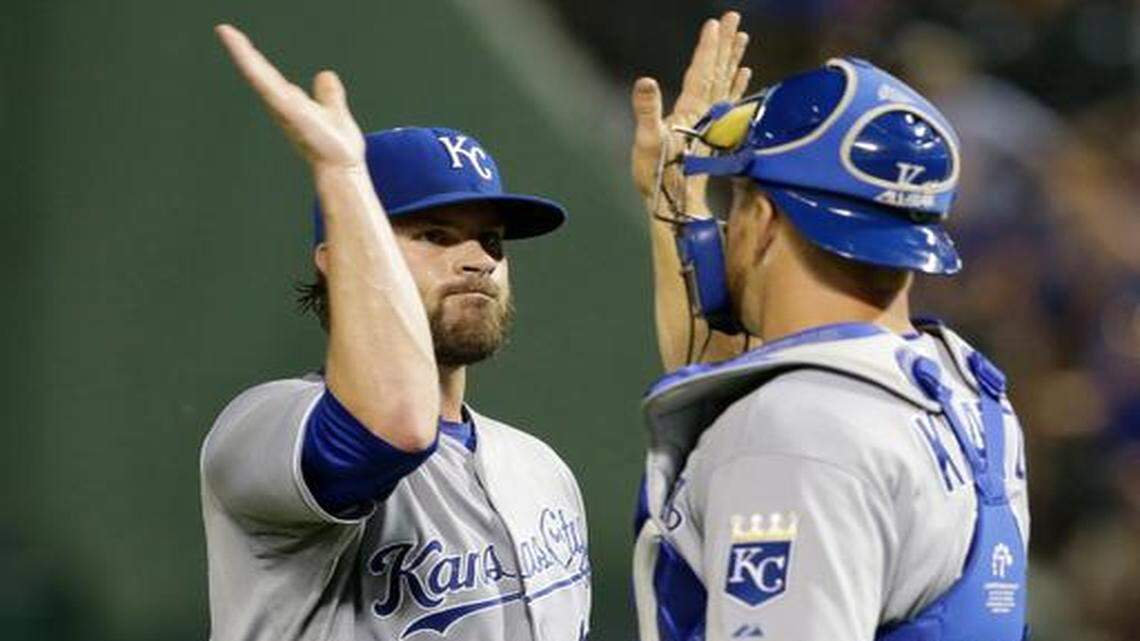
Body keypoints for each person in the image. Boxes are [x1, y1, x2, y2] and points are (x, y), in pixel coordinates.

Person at [628, 13, 1029, 641]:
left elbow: (785, 426)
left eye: (736, 208)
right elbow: (743, 376)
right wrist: (674, 207)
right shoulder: (967, 391)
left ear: (760, 220)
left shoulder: (795, 431)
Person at [201, 25, 590, 641]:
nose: (479, 260)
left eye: (491, 240)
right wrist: (341, 176)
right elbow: (390, 432)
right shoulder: (261, 434)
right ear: (342, 260)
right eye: (435, 235)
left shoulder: (541, 469)